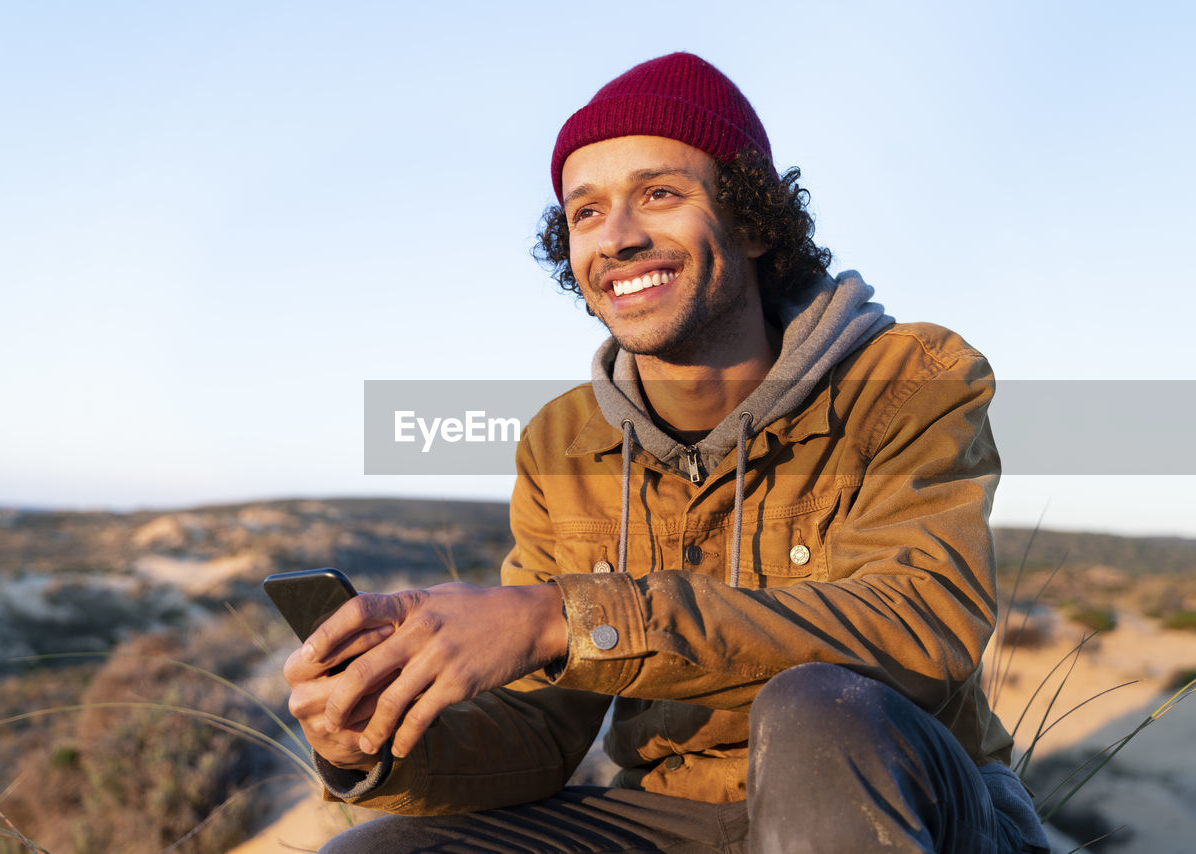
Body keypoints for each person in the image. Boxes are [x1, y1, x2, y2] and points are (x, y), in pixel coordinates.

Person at [284, 53, 1050, 853]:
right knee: (374, 851)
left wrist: (560, 617)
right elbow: (543, 731)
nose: (616, 237)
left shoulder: (908, 378)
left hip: (906, 800)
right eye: (585, 212)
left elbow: (920, 626)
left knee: (817, 709)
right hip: (672, 816)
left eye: (659, 194)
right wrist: (372, 741)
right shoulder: (564, 442)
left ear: (753, 222)